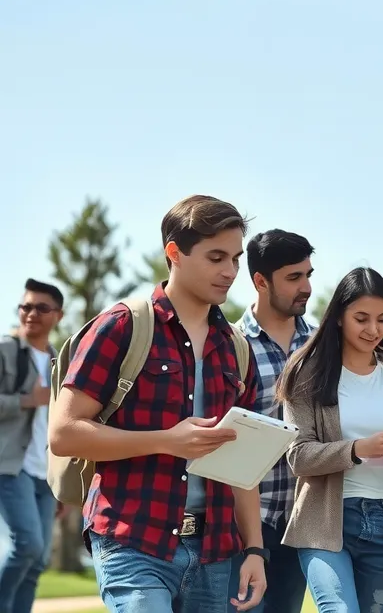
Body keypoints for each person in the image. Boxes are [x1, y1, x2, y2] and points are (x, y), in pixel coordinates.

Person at [48, 195, 268, 613]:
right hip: (134, 539)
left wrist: (255, 549)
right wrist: (167, 440)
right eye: (216, 257)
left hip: (215, 550)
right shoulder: (121, 326)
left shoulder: (236, 349)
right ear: (174, 253)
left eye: (236, 258)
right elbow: (64, 433)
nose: (230, 272)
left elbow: (244, 465)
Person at [278, 267, 383, 613]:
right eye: (361, 318)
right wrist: (358, 450)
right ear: (339, 317)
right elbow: (298, 456)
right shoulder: (305, 372)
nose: (373, 330)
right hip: (325, 519)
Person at [236, 229, 316, 613]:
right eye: (294, 277)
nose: (306, 287)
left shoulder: (321, 347)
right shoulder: (232, 344)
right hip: (241, 522)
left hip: (300, 519)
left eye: (308, 275)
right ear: (260, 281)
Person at [0, 279, 64, 613]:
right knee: (27, 545)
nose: (31, 313)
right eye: (26, 306)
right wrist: (27, 400)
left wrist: (62, 484)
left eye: (41, 307)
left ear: (58, 315)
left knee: (38, 559)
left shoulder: (60, 361)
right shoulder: (6, 350)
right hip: (12, 466)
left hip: (45, 473)